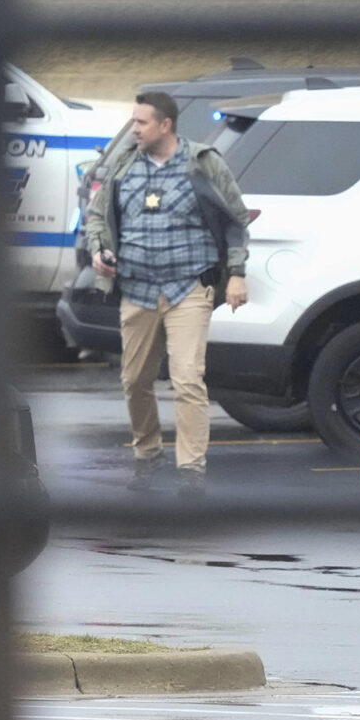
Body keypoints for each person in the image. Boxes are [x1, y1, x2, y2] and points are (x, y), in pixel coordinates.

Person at [82, 91, 251, 497]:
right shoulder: (123, 165)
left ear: (165, 125)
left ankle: (191, 470)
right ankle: (148, 454)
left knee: (188, 379)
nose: (134, 129)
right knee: (135, 379)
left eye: (141, 123)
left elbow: (235, 219)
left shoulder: (203, 163)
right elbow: (96, 218)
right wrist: (98, 252)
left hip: (188, 286)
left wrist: (236, 274)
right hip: (137, 288)